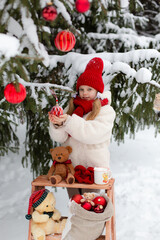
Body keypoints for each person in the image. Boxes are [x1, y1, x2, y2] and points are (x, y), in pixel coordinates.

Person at [48, 57, 115, 196]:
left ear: (98, 91)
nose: (85, 93)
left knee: (90, 205)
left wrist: (68, 122)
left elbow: (91, 134)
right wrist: (58, 124)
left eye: (89, 89)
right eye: (82, 89)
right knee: (74, 202)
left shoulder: (105, 111)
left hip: (94, 170)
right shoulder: (72, 108)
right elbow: (60, 138)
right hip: (72, 168)